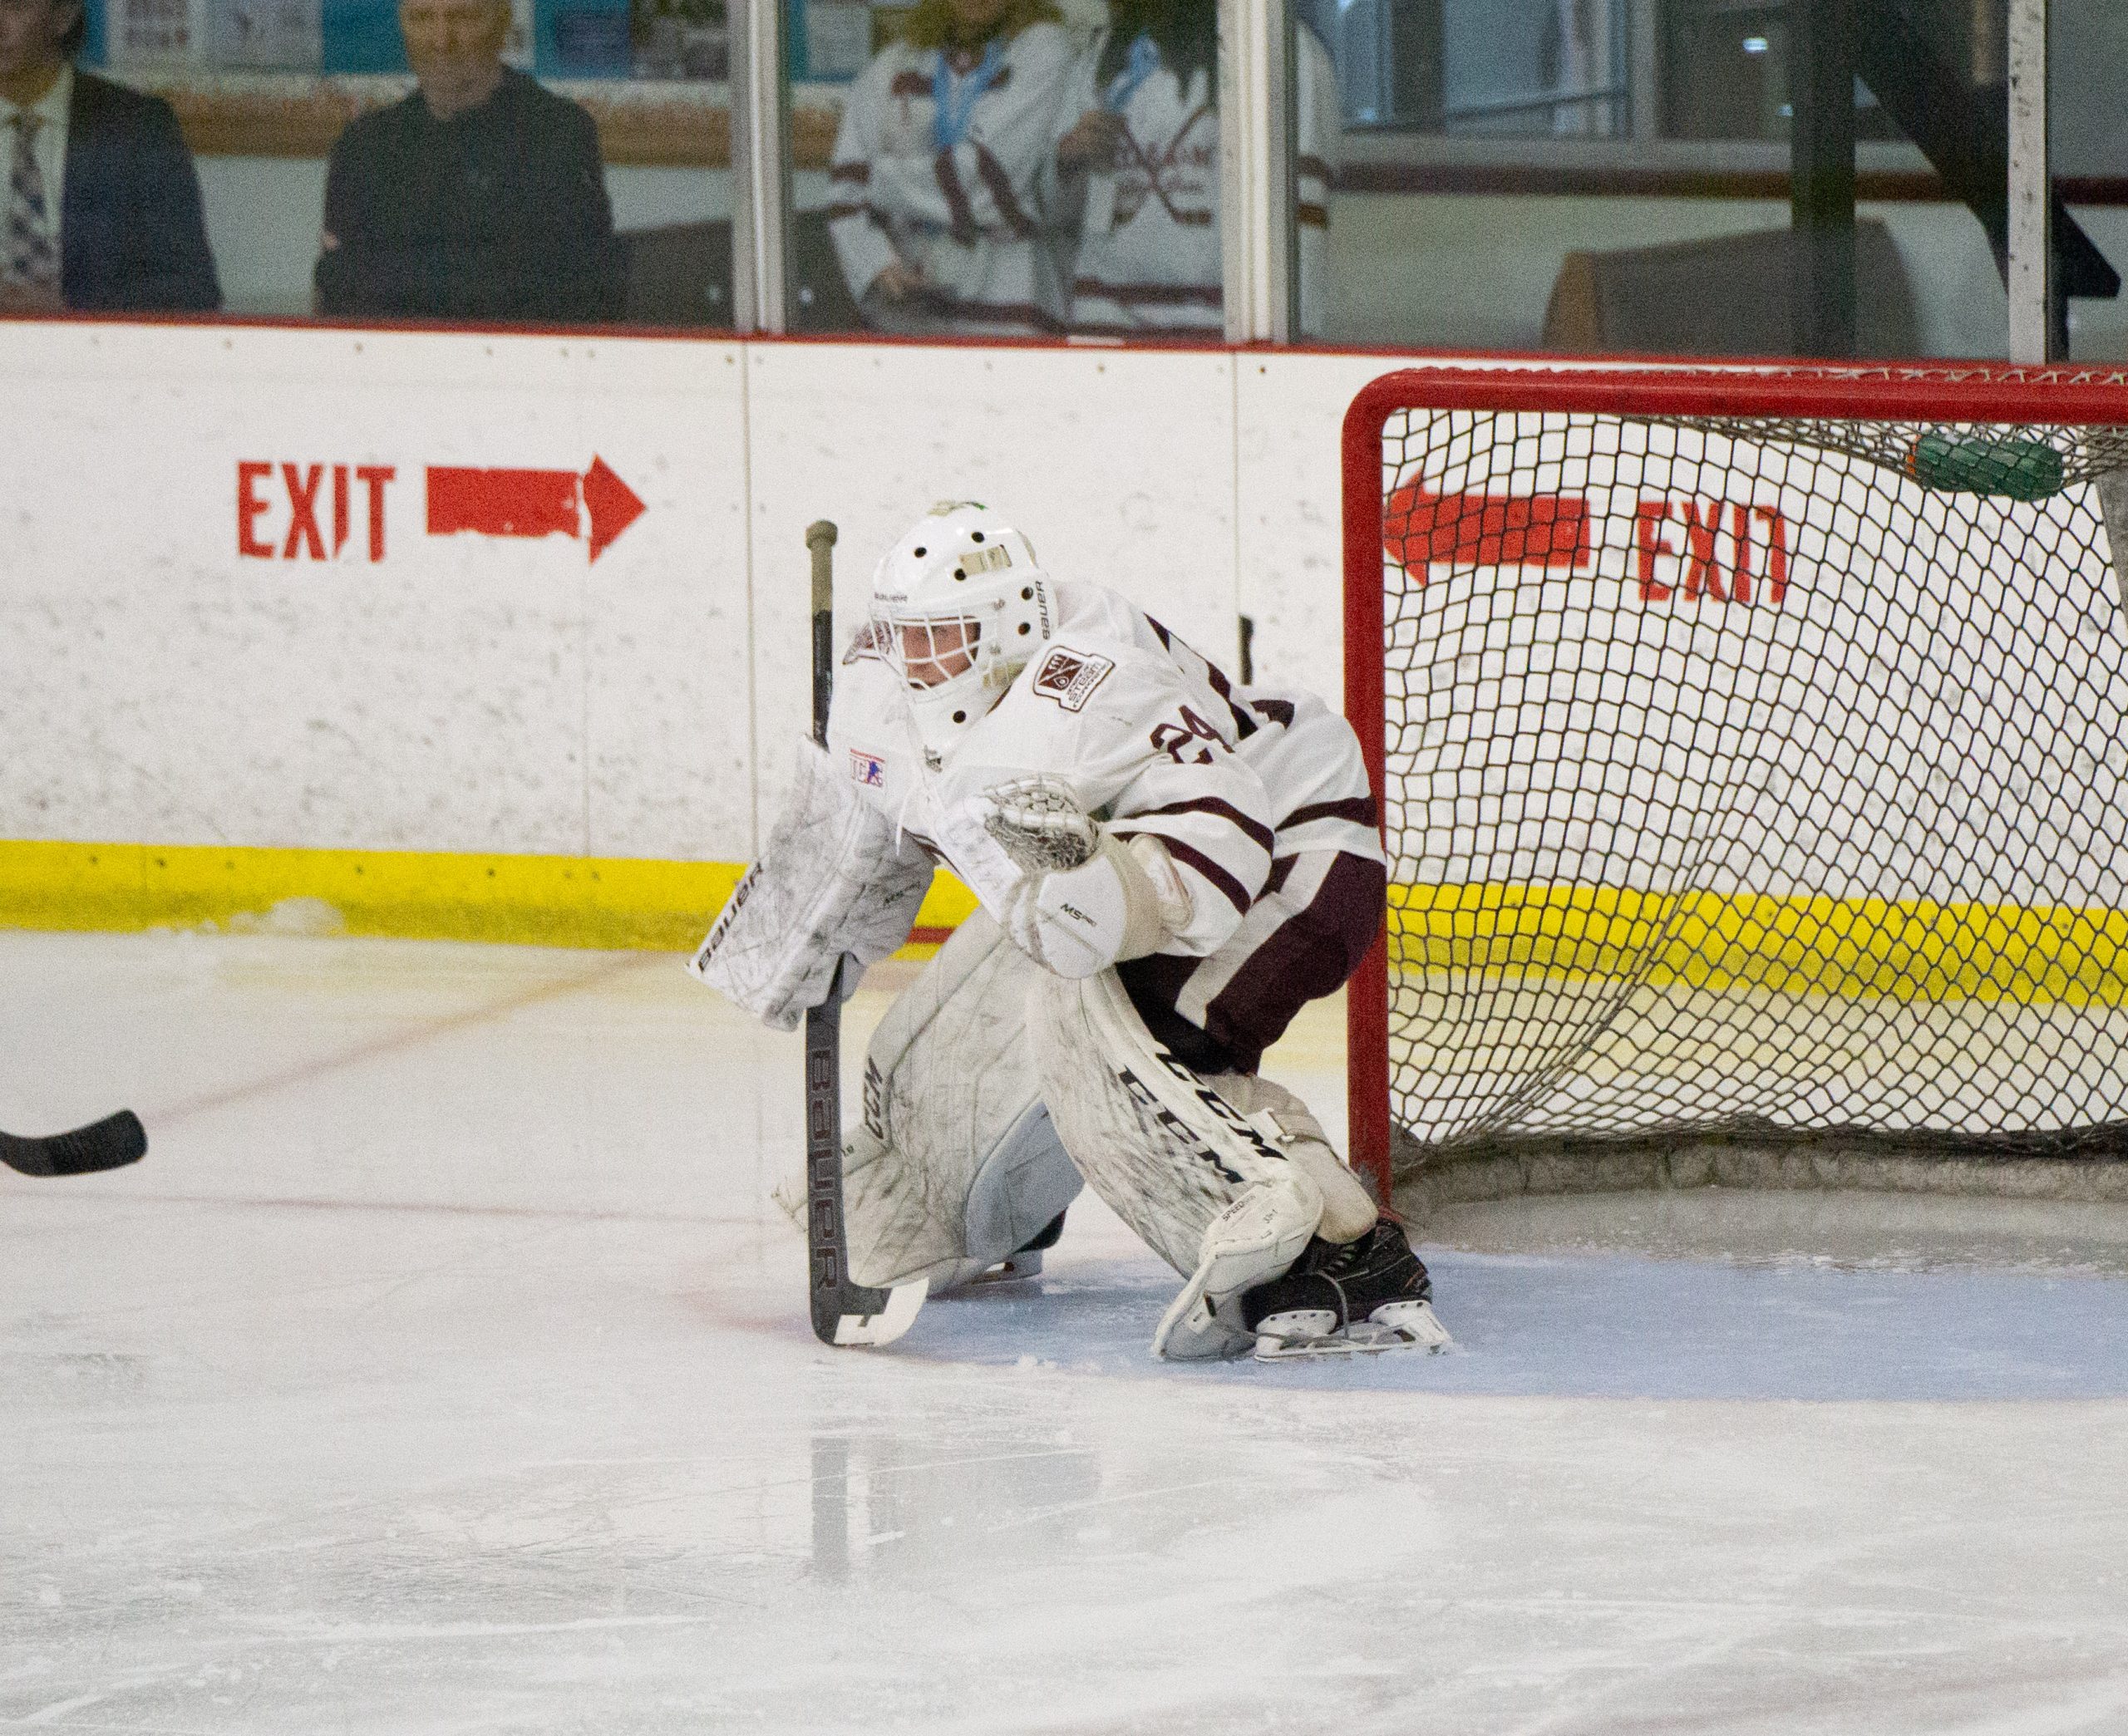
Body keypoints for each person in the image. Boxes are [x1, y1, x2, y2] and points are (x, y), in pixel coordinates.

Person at [697, 503, 1450, 1361]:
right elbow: (871, 821)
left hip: (1291, 838)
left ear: (1010, 625)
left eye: (941, 639)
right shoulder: (881, 687)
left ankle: (1349, 1261)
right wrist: (807, 932)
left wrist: (1121, 897)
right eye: (906, 637)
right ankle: (1007, 1203)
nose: (918, 663)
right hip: (1126, 862)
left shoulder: (1088, 678)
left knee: (1150, 1053)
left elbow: (1223, 827)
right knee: (991, 1020)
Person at [313, 0, 621, 322]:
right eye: (421, 17)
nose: (441, 40)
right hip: (394, 363)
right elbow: (336, 291)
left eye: (462, 16)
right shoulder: (365, 146)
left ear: (501, 23)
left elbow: (574, 290)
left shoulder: (556, 134)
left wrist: (392, 271)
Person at [1047, 0, 1337, 337]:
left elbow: (1301, 233)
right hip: (1103, 330)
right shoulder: (1100, 55)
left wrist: (1287, 358)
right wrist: (1066, 161)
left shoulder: (1277, 45)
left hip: (1214, 339)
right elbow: (1056, 217)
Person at [825, 0, 1076, 337]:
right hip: (909, 315)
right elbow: (845, 184)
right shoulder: (896, 63)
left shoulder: (1040, 50)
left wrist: (881, 181)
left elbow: (991, 177)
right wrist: (877, 264)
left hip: (1009, 307)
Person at [0, 0, 219, 314]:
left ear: (64, 16)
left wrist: (71, 310)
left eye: (15, 8)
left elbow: (192, 288)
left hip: (99, 349)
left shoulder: (137, 127)